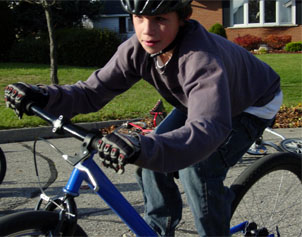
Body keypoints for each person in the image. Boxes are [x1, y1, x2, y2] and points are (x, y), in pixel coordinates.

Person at [5, 0, 282, 236]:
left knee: (197, 169)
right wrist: (43, 96)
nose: (147, 31)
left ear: (182, 18)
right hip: (198, 102)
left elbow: (208, 128)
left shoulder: (201, 59)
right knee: (150, 162)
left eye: (160, 19)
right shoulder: (136, 49)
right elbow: (92, 92)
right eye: (139, 18)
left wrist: (143, 145)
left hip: (251, 104)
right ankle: (159, 229)